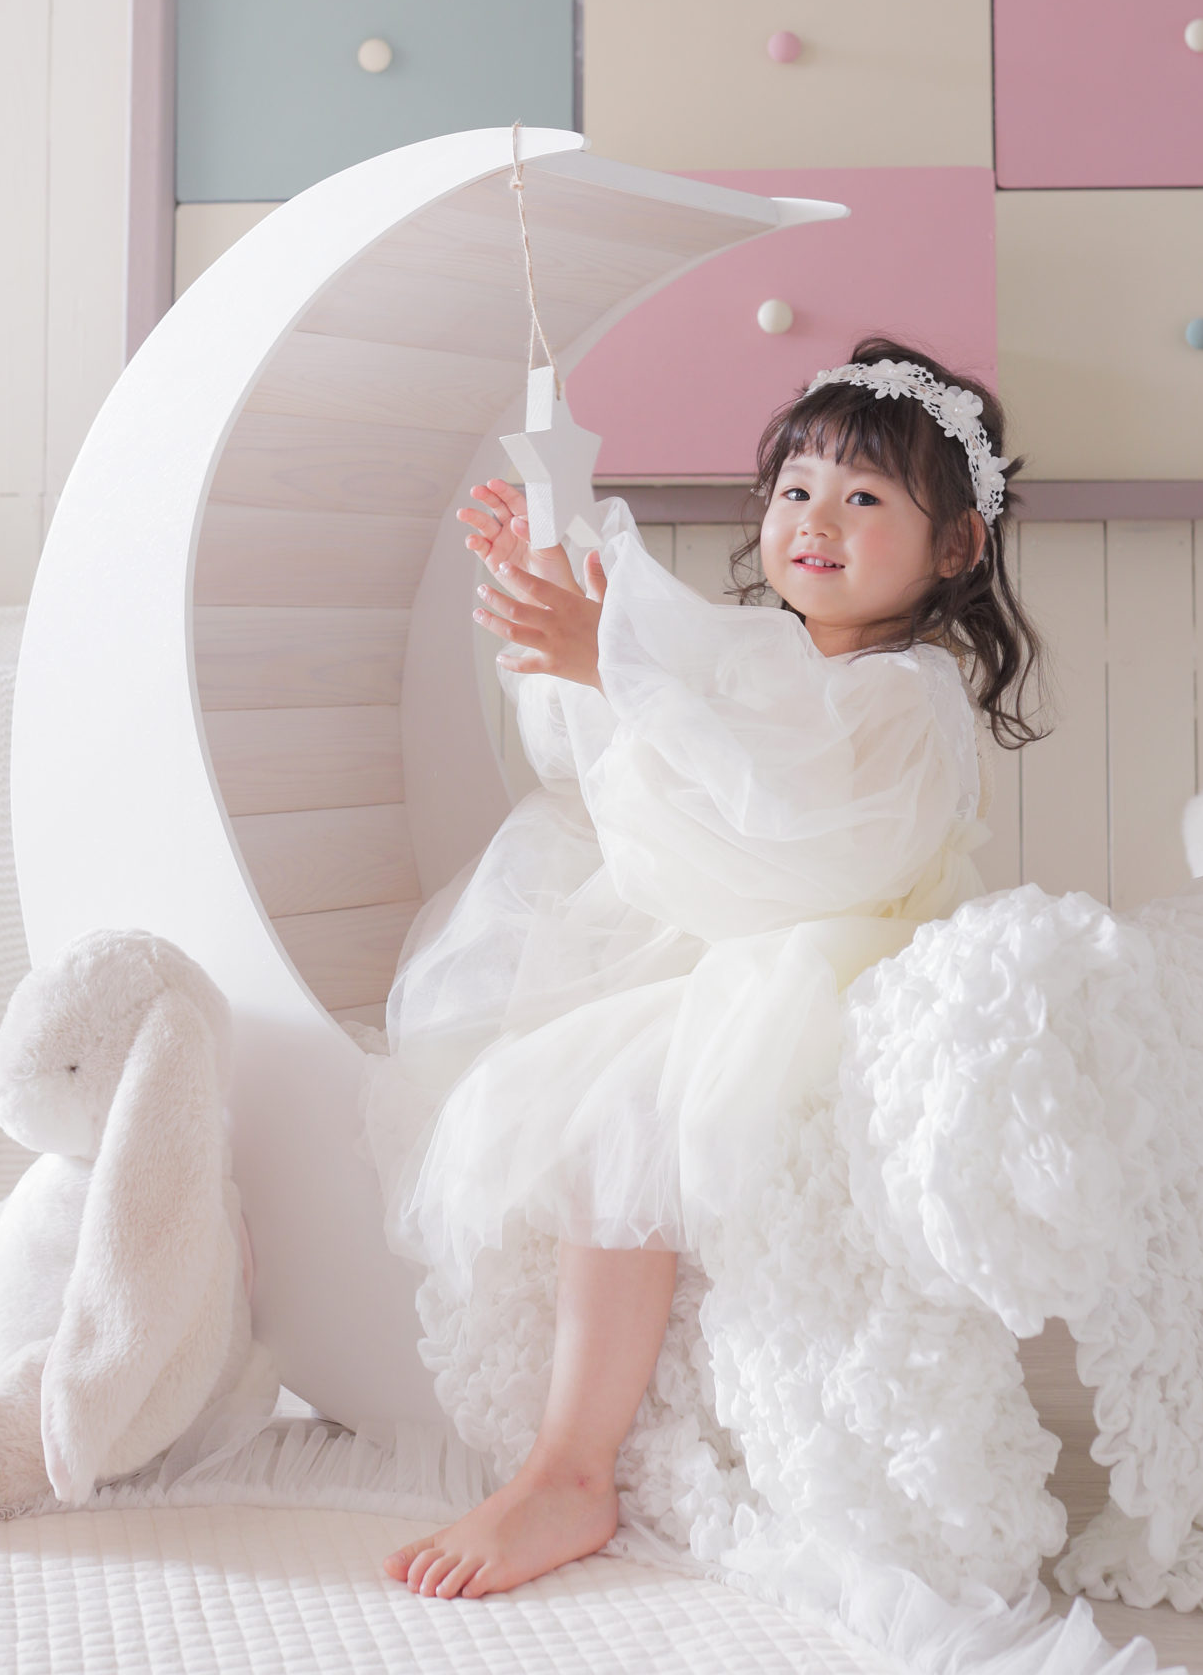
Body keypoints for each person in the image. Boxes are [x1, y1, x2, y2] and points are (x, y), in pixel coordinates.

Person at [367, 335, 1043, 1601]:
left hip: (835, 953)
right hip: (741, 932)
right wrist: (564, 606)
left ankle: (571, 1468)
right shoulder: (766, 655)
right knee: (550, 1057)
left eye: (864, 497)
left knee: (629, 1102)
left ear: (955, 546)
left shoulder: (908, 693)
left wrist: (616, 661)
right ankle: (551, 1447)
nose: (816, 521)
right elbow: (627, 757)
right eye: (796, 489)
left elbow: (791, 832)